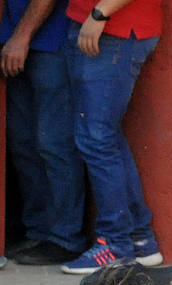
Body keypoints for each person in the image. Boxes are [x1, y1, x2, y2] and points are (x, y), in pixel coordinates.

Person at [59, 0, 163, 274]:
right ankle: (140, 240)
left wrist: (99, 13)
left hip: (112, 30)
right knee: (105, 137)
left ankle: (116, 245)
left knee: (97, 139)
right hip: (103, 28)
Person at [1, 0, 87, 265]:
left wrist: (21, 37)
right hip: (13, 37)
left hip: (51, 42)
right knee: (23, 142)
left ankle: (66, 238)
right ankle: (38, 230)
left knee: (54, 143)